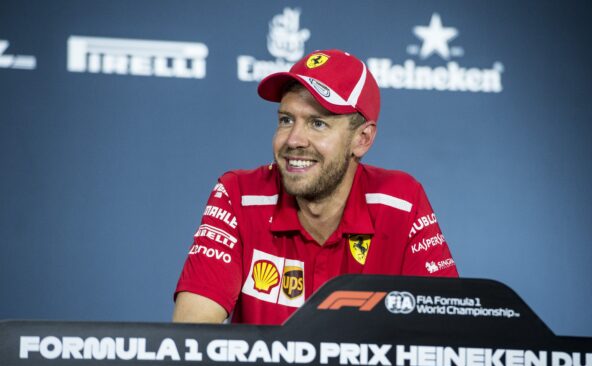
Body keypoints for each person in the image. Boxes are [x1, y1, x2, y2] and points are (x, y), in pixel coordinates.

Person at [173, 49, 458, 325]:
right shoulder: (238, 195)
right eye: (286, 120)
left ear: (362, 139)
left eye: (318, 123)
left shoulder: (401, 203)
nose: (294, 139)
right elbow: (192, 336)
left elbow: (445, 336)